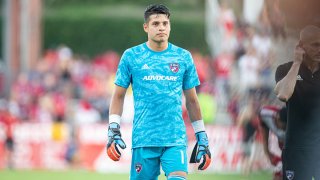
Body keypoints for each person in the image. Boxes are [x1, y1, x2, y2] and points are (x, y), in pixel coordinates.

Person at [106, 4, 211, 180]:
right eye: (155, 23)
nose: (161, 27)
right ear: (146, 27)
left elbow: (192, 100)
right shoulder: (131, 56)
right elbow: (118, 95)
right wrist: (113, 128)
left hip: (175, 138)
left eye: (165, 23)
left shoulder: (183, 57)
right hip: (144, 138)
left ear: (170, 26)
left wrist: (201, 134)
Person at [274, 25, 320, 180]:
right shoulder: (285, 69)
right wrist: (296, 63)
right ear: (301, 46)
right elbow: (284, 94)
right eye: (315, 45)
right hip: (296, 150)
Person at [259, 106, 287, 180]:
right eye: (282, 127)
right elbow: (264, 126)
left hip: (290, 148)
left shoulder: (293, 127)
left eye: (285, 128)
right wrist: (267, 151)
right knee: (280, 170)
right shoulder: (265, 114)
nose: (282, 129)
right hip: (282, 147)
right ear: (277, 118)